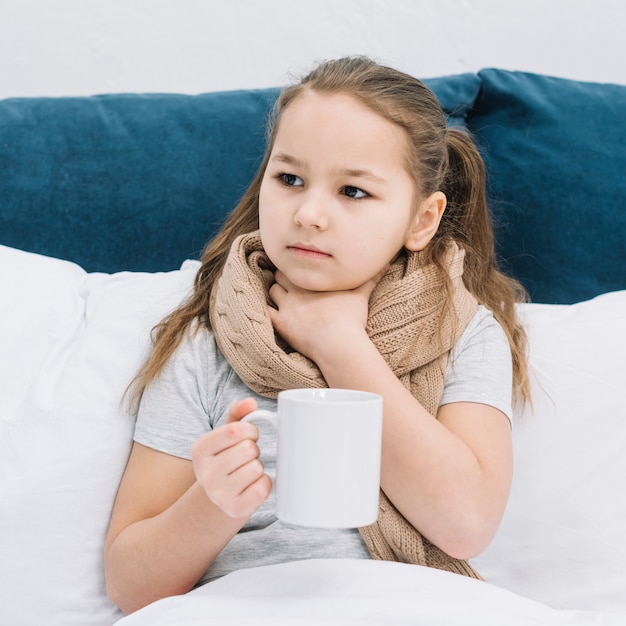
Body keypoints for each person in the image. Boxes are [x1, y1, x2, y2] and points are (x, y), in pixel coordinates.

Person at [104, 56, 530, 614]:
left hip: (406, 604)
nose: (308, 213)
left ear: (422, 220)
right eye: (289, 179)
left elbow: (465, 524)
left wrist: (340, 346)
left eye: (353, 192)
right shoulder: (209, 341)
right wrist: (211, 505)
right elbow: (130, 585)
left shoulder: (465, 333)